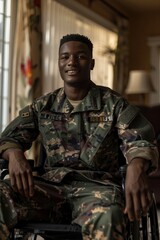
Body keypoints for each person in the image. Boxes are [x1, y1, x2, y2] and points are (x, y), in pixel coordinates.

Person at [0, 33, 158, 240]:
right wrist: (14, 155)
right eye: (65, 57)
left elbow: (140, 140)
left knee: (108, 215)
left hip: (97, 189)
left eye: (80, 56)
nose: (71, 62)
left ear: (91, 63)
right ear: (58, 63)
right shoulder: (43, 106)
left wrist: (136, 167)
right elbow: (9, 137)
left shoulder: (113, 104)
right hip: (50, 189)